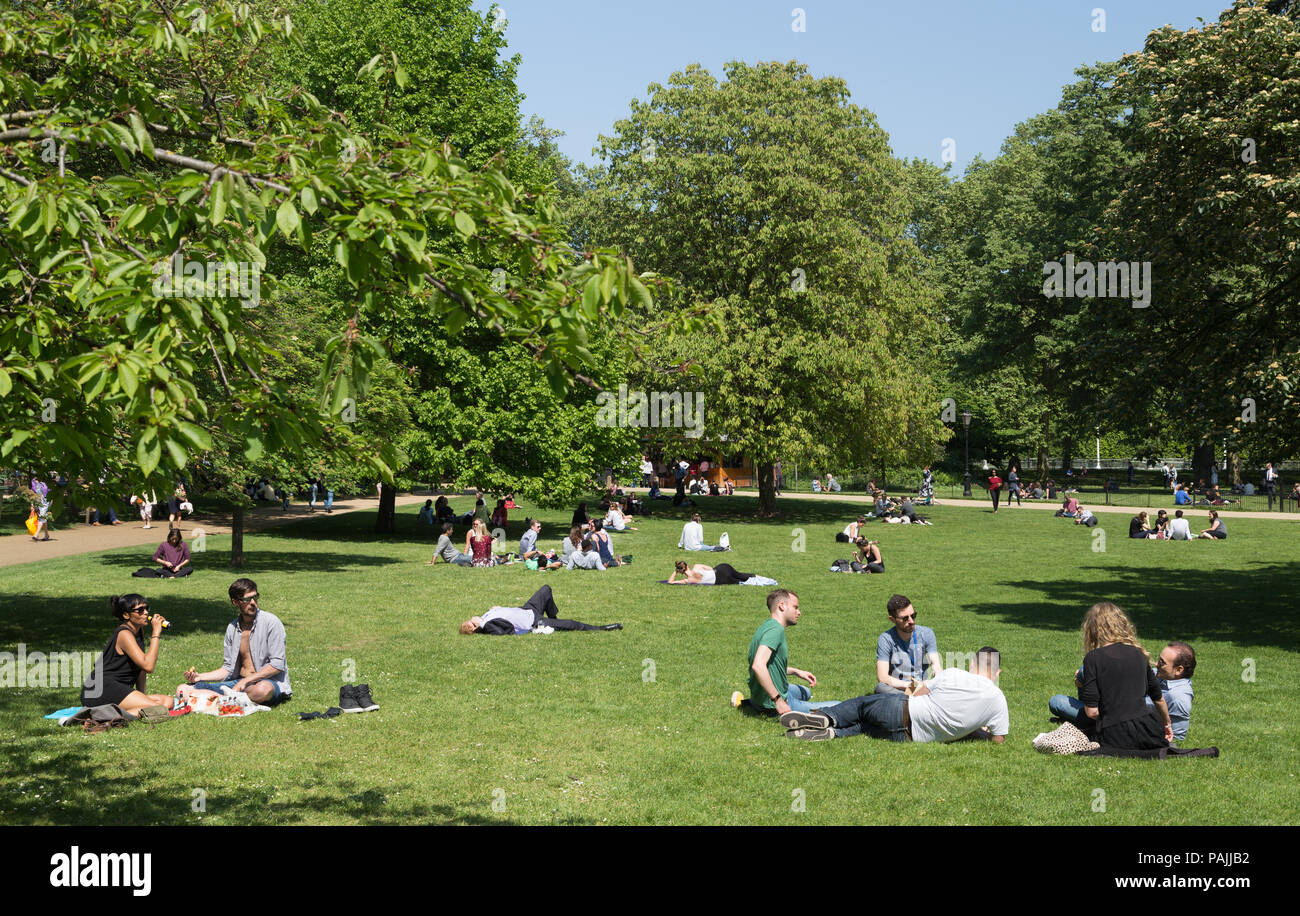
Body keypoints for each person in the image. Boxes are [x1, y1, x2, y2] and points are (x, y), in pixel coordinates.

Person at [783, 647, 1008, 744]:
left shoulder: (954, 674)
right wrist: (975, 731)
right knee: (865, 728)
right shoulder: (998, 700)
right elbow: (998, 740)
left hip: (902, 710)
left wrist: (893, 687)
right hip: (909, 737)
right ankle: (832, 733)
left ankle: (825, 717)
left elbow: (917, 690)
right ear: (997, 672)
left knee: (862, 706)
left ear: (972, 664)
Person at [1072, 602, 1173, 753]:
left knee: (1059, 703)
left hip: (1115, 735)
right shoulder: (1138, 654)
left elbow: (1092, 712)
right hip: (1147, 731)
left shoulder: (1093, 658)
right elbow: (1158, 698)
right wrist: (1167, 724)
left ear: (1092, 629)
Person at [1049, 641, 1195, 743]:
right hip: (1112, 709)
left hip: (1119, 722)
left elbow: (1177, 735)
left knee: (1057, 702)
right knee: (1084, 671)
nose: (1157, 664)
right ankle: (1084, 710)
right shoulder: (1163, 676)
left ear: (1179, 670)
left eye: (1162, 662)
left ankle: (1083, 716)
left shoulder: (1178, 697)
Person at [183, 578, 291, 706]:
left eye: (255, 597)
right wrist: (199, 677)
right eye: (247, 599)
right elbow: (228, 669)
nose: (253, 603)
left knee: (261, 690)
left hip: (267, 683)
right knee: (184, 689)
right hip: (238, 684)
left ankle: (224, 699)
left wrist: (244, 682)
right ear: (235, 602)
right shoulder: (232, 628)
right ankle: (232, 699)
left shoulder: (271, 622)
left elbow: (277, 665)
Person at [734, 589, 837, 716]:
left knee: (806, 692)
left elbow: (770, 665)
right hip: (773, 704)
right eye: (795, 607)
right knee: (839, 706)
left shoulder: (766, 626)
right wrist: (778, 701)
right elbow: (758, 665)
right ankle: (769, 704)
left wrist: (796, 672)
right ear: (782, 606)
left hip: (759, 697)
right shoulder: (775, 630)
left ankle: (749, 703)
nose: (799, 612)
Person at [80, 595, 175, 711]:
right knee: (157, 709)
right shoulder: (124, 634)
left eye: (147, 608)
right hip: (101, 689)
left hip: (120, 689)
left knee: (168, 702)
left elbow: (141, 668)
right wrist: (156, 633)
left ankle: (116, 714)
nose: (145, 613)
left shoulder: (138, 631)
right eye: (140, 610)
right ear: (126, 615)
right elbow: (148, 666)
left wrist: (142, 695)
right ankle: (101, 719)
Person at [459, 585, 621, 634]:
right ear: (473, 627)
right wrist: (481, 624)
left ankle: (554, 621)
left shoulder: (486, 616)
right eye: (470, 622)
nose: (471, 617)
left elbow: (501, 611)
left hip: (527, 609)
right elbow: (506, 631)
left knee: (546, 589)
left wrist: (494, 609)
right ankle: (601, 628)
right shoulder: (487, 626)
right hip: (534, 622)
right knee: (571, 624)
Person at [875, 594, 942, 694]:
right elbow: (883, 677)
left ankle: (911, 702)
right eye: (905, 619)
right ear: (892, 620)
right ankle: (916, 701)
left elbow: (935, 663)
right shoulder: (885, 639)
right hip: (900, 688)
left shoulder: (926, 633)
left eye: (913, 615)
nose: (911, 621)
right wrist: (912, 686)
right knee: (880, 688)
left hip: (923, 686)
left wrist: (937, 676)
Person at [668, 561, 774, 586]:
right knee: (741, 575)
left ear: (681, 572)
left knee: (741, 581)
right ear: (687, 566)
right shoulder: (696, 566)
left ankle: (764, 581)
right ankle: (762, 577)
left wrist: (675, 572)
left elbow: (670, 582)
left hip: (721, 579)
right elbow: (710, 568)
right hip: (722, 568)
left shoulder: (689, 580)